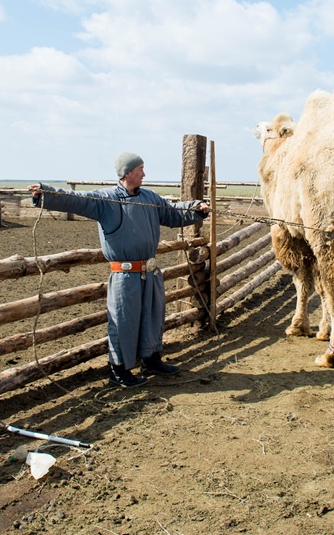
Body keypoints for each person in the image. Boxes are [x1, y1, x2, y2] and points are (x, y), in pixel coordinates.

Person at [29, 152, 210, 388]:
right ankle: (119, 370)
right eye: (140, 169)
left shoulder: (149, 198)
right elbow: (75, 199)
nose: (144, 174)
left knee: (153, 317)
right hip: (125, 275)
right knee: (124, 321)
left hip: (151, 273)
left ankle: (151, 359)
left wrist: (196, 208)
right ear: (127, 172)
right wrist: (47, 193)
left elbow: (172, 212)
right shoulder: (106, 200)